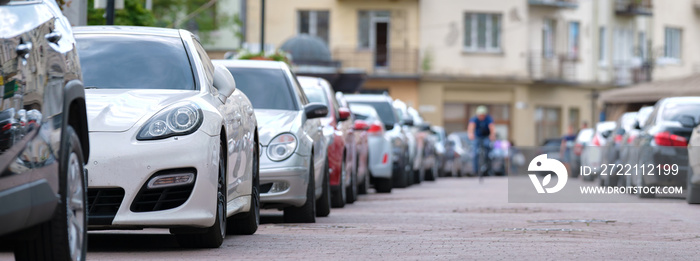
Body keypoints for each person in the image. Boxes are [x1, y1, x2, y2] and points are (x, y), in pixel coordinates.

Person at [467, 105, 495, 176]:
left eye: (482, 115)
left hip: (486, 136)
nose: (481, 116)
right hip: (477, 137)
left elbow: (492, 127)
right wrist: (470, 134)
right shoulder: (474, 119)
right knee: (475, 152)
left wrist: (492, 135)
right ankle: (475, 170)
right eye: (480, 115)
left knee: (487, 149)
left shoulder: (488, 119)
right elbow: (471, 127)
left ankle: (488, 168)